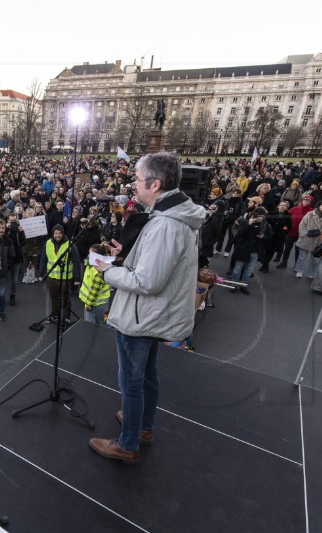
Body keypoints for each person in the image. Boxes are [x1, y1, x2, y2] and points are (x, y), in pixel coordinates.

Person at [89, 152, 206, 464]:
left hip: (143, 316)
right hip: (156, 313)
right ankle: (143, 426)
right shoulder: (174, 216)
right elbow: (155, 266)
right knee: (148, 376)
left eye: (137, 180)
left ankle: (128, 444)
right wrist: (126, 256)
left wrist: (107, 270)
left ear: (155, 184)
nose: (133, 186)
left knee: (132, 381)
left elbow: (147, 282)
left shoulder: (166, 225)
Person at [37, 224, 81, 325]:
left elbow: (76, 261)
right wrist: (41, 274)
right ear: (53, 234)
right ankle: (55, 316)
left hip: (65, 278)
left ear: (63, 233)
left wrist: (77, 278)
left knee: (66, 299)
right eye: (56, 233)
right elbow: (43, 258)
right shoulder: (48, 243)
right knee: (54, 298)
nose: (58, 235)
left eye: (60, 233)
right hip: (51, 277)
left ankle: (67, 318)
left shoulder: (70, 244)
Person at [229, 207, 272, 294]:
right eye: (258, 216)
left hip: (255, 251)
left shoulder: (266, 225)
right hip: (243, 250)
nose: (260, 218)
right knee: (238, 268)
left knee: (248, 270)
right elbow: (240, 233)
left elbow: (270, 237)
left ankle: (244, 285)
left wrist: (263, 237)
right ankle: (234, 285)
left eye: (262, 216)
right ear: (254, 215)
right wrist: (249, 224)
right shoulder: (245, 222)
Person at [293, 199, 322, 279]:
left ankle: (312, 273)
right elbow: (302, 224)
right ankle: (299, 270)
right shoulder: (310, 214)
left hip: (320, 241)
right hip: (307, 238)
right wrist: (303, 234)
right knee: (302, 257)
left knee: (316, 259)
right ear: (318, 206)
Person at [79, 243, 112, 325]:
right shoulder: (96, 265)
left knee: (91, 326)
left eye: (90, 254)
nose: (88, 255)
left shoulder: (99, 271)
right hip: (99, 304)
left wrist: (88, 305)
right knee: (100, 325)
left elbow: (94, 291)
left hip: (95, 305)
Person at [5, 213, 26, 306]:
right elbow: (1, 240)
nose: (13, 223)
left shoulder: (19, 230)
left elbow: (22, 244)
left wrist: (21, 232)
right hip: (5, 257)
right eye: (11, 221)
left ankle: (12, 296)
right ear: (8, 221)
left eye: (14, 221)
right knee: (3, 278)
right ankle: (2, 295)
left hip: (16, 257)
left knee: (15, 279)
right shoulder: (4, 229)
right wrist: (6, 229)